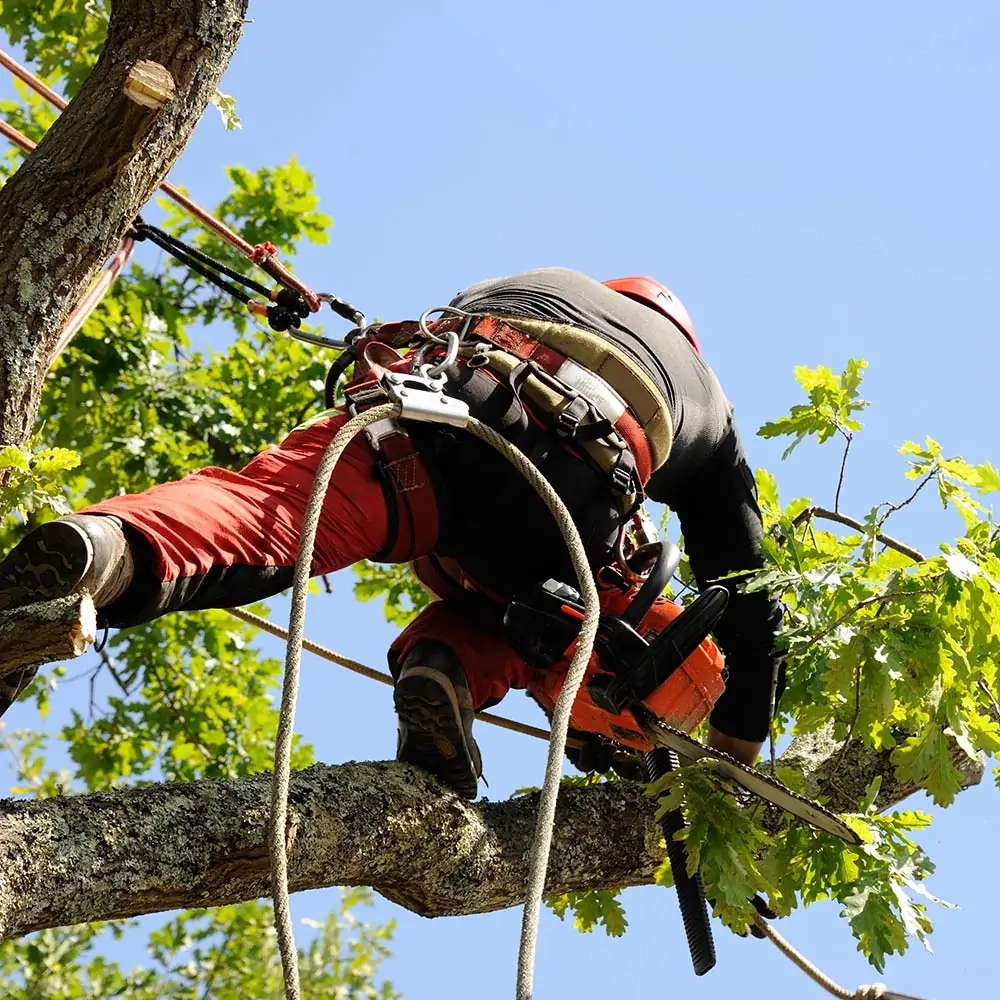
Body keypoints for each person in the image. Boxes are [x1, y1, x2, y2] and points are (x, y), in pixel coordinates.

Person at [0, 268, 784, 799]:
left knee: (271, 510)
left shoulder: (534, 285)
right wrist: (737, 745)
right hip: (575, 493)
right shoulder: (704, 398)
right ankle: (475, 677)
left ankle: (105, 548)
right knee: (591, 613)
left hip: (439, 412)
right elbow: (749, 589)